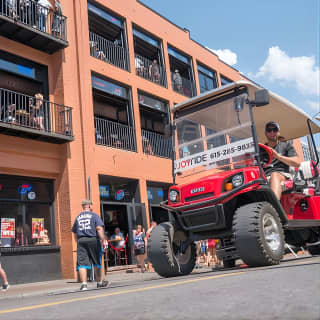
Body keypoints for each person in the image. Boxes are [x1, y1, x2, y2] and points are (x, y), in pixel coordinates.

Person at [72, 199, 108, 291]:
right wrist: (103, 240)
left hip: (81, 241)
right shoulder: (94, 216)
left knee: (81, 263)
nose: (92, 207)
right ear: (89, 206)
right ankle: (99, 282)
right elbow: (99, 228)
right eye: (92, 205)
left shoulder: (78, 217)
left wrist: (78, 241)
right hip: (93, 239)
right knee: (96, 261)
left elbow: (75, 232)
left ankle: (84, 284)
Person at [264, 121, 301, 200]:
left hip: (281, 174)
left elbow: (297, 163)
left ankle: (274, 208)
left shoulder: (286, 145)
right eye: (269, 130)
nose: (272, 132)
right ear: (266, 133)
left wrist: (278, 156)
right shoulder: (262, 149)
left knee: (274, 175)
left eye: (275, 129)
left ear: (278, 132)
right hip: (263, 176)